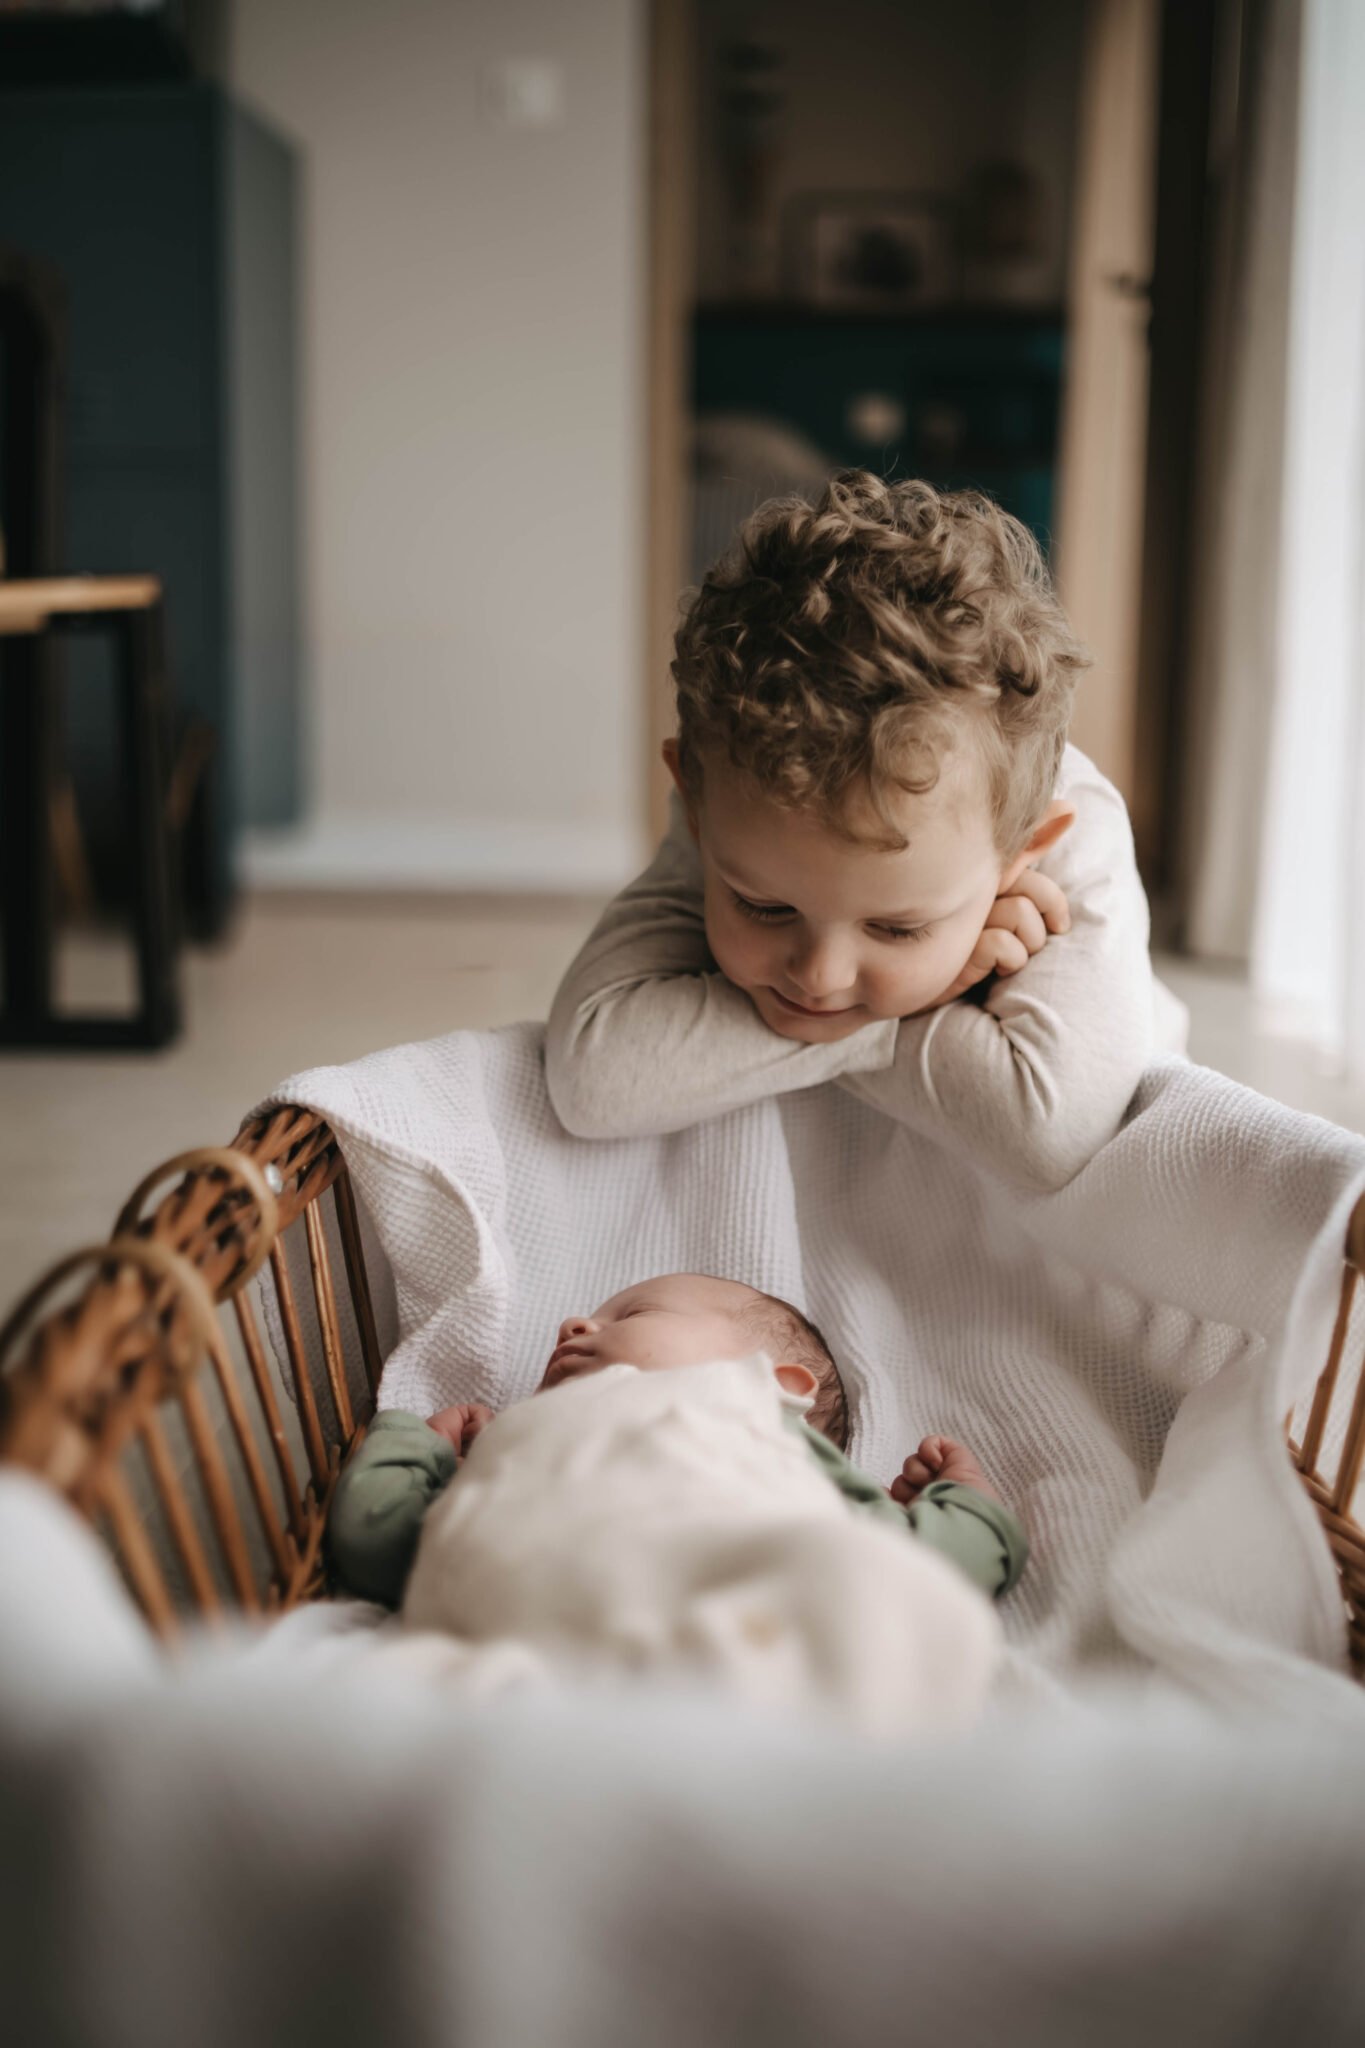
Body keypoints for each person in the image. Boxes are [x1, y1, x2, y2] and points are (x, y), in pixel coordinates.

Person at [545, 472, 1174, 1194]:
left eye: (897, 929)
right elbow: (591, 1078)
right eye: (763, 908)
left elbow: (1054, 1135)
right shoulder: (743, 800)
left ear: (1022, 853)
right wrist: (927, 1003)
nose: (819, 977)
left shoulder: (1068, 827)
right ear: (692, 799)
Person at [326, 1271, 1026, 1615]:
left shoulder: (768, 1446)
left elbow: (914, 1575)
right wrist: (441, 1452)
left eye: (634, 1313)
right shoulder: (517, 1447)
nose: (572, 1324)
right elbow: (377, 1547)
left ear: (772, 1387)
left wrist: (966, 1501)